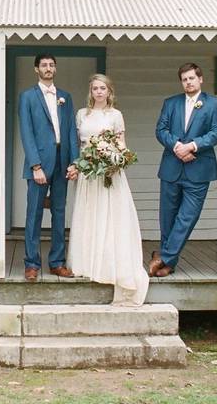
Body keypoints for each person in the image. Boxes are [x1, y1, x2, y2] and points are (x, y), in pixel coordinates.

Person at [68, 74, 148, 306]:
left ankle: (108, 263)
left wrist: (116, 159)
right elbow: (80, 145)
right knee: (89, 215)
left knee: (110, 217)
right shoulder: (82, 114)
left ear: (109, 91)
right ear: (90, 92)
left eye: (103, 88)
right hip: (88, 174)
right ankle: (86, 262)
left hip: (110, 173)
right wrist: (78, 165)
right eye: (95, 88)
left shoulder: (116, 116)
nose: (99, 92)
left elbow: (122, 145)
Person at [151, 63, 217, 278]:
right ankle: (169, 263)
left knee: (187, 217)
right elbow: (160, 130)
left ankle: (163, 256)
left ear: (200, 79)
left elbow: (216, 133)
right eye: (184, 79)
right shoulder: (171, 103)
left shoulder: (213, 104)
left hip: (199, 169)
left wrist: (192, 146)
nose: (188, 82)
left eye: (192, 78)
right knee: (168, 217)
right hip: (172, 167)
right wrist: (177, 147)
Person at [18, 54, 79, 282]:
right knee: (33, 214)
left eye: (52, 65)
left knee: (59, 213)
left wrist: (75, 161)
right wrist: (35, 165)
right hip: (39, 165)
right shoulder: (27, 97)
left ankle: (57, 262)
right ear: (36, 69)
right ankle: (32, 263)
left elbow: (71, 130)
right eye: (44, 65)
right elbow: (26, 131)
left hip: (63, 162)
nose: (48, 68)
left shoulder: (65, 97)